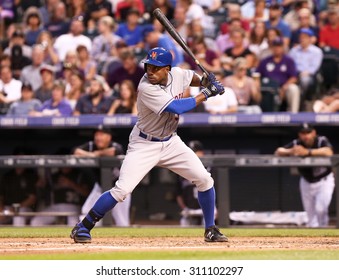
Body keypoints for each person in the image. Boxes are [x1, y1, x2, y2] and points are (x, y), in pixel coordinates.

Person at [70, 47, 228, 243]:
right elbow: (176, 107)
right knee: (122, 190)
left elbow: (191, 78)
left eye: (156, 68)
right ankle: (83, 226)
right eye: (148, 67)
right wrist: (207, 92)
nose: (150, 72)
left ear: (168, 69)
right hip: (144, 143)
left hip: (171, 141)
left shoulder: (178, 74)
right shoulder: (146, 87)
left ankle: (210, 229)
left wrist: (205, 80)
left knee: (205, 180)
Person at [274, 123, 335, 228]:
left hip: (324, 180)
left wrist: (308, 152)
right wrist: (291, 151)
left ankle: (324, 234)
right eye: (303, 133)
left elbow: (329, 152)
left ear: (314, 133)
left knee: (321, 209)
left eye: (308, 132)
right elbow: (278, 151)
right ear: (299, 134)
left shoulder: (321, 140)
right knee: (310, 216)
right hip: (306, 181)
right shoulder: (297, 143)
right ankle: (311, 241)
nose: (306, 136)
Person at [73, 125, 130, 227]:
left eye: (101, 135)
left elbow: (114, 151)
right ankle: (83, 231)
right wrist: (92, 154)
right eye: (96, 135)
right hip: (100, 187)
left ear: (109, 137)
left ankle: (127, 241)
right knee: (85, 212)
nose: (98, 137)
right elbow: (76, 151)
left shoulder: (115, 145)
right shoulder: (91, 146)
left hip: (120, 188)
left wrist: (96, 154)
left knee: (122, 221)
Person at [176, 140, 215, 226]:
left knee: (208, 223)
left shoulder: (210, 169)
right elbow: (178, 193)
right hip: (189, 208)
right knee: (184, 222)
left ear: (201, 153)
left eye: (195, 152)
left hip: (206, 208)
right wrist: (183, 207)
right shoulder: (182, 170)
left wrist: (217, 207)